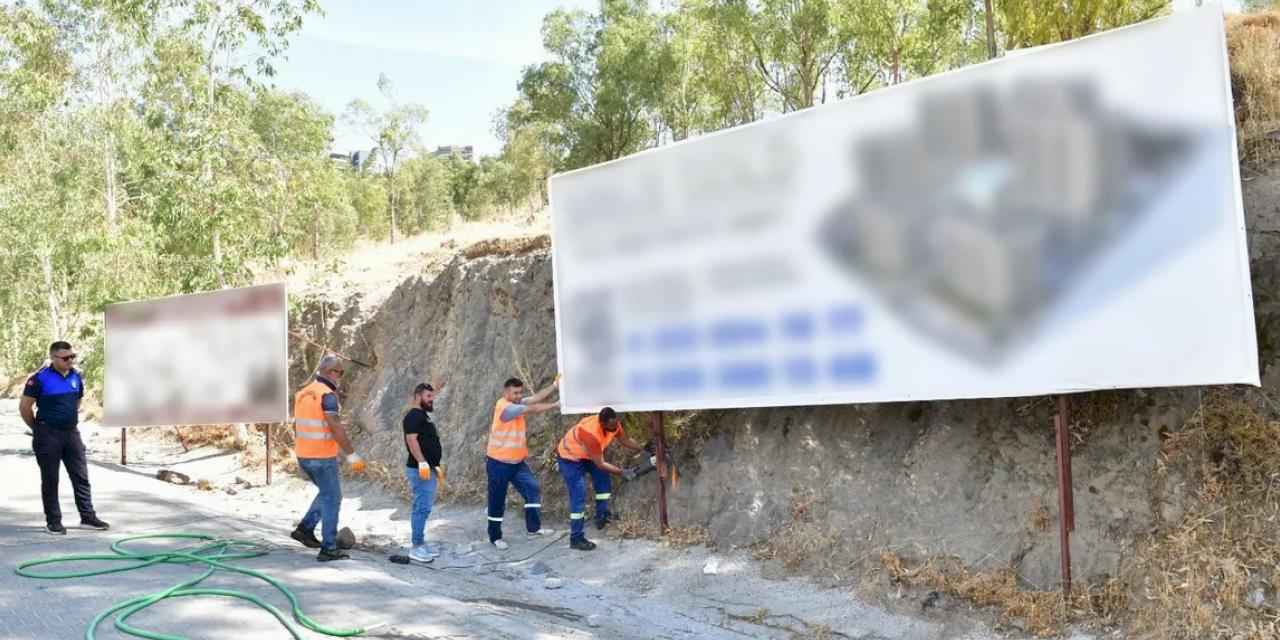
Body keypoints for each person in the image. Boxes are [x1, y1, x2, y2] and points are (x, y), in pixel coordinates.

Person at [19, 341, 109, 535]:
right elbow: (25, 407)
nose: (70, 360)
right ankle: (54, 521)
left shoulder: (76, 376)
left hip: (71, 433)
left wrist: (68, 418)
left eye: (72, 357)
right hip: (47, 434)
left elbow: (77, 400)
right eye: (65, 357)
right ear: (53, 358)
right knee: (51, 479)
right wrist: (37, 428)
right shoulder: (39, 379)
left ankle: (87, 517)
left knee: (81, 477)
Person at [290, 354, 366, 562]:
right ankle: (329, 548)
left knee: (326, 493)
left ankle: (305, 529)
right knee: (333, 498)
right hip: (322, 457)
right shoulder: (327, 395)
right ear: (329, 372)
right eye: (339, 372)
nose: (340, 377)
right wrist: (351, 454)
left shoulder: (304, 393)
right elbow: (335, 427)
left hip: (303, 454)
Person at [485, 376, 559, 550]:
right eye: (515, 393)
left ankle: (533, 529)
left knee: (532, 488)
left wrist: (554, 386)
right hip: (499, 463)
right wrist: (555, 405)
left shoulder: (517, 402)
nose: (519, 395)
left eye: (520, 392)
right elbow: (532, 408)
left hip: (517, 463)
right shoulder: (504, 407)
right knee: (497, 501)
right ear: (506, 392)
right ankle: (495, 537)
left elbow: (535, 398)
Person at [556, 407, 644, 551]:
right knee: (579, 495)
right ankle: (576, 538)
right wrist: (622, 472)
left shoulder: (614, 423)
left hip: (588, 455)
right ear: (602, 423)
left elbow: (624, 440)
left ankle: (601, 516)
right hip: (570, 458)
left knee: (604, 484)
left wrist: (642, 449)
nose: (614, 428)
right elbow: (601, 464)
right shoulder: (590, 434)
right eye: (611, 427)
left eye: (616, 425)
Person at [403, 380, 445, 564]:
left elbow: (428, 443)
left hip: (428, 469)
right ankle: (416, 547)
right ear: (418, 397)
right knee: (421, 507)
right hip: (420, 470)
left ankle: (420, 543)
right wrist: (422, 463)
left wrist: (434, 465)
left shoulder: (423, 416)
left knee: (425, 507)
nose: (431, 400)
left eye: (432, 397)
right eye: (428, 397)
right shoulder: (413, 416)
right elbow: (412, 441)